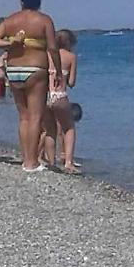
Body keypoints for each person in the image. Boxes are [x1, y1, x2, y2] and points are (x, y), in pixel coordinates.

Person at [0, 0, 62, 172]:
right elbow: (53, 48)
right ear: (39, 1)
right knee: (35, 117)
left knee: (23, 117)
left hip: (13, 70)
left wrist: (10, 42)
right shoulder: (44, 20)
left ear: (21, 1)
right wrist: (58, 71)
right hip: (35, 69)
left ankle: (25, 159)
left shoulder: (11, 20)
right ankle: (32, 162)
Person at [42, 28, 78, 172]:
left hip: (46, 96)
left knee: (50, 130)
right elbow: (72, 82)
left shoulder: (46, 55)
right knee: (68, 128)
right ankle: (68, 162)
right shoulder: (71, 57)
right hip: (60, 95)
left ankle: (51, 162)